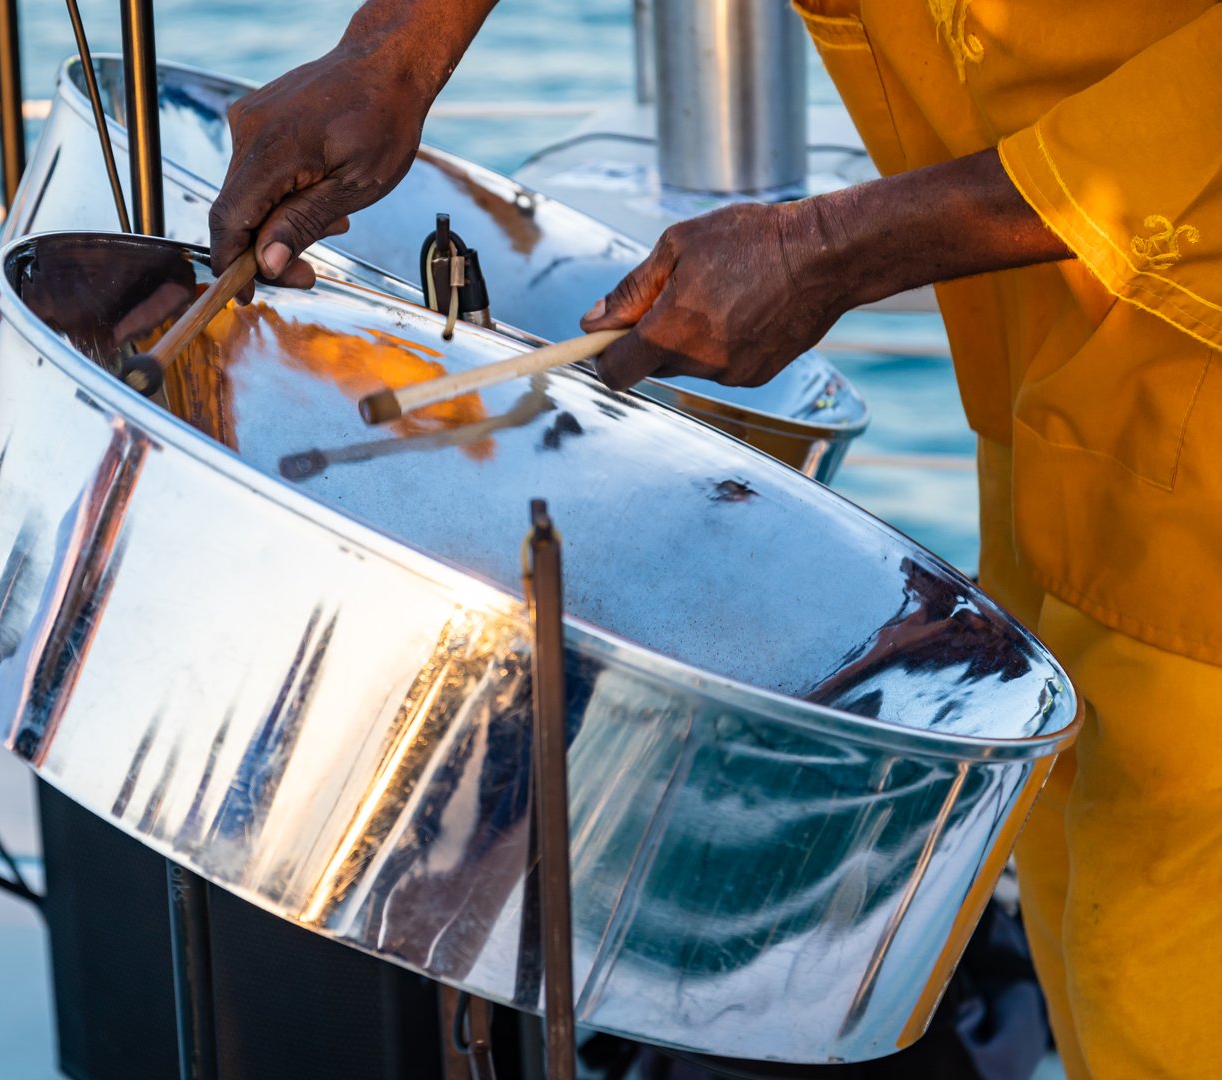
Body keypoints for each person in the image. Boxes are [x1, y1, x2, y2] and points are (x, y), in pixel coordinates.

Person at [206, 2, 1222, 1077]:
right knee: (1088, 933)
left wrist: (829, 248)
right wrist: (397, 50)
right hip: (1058, 378)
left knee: (1158, 987)